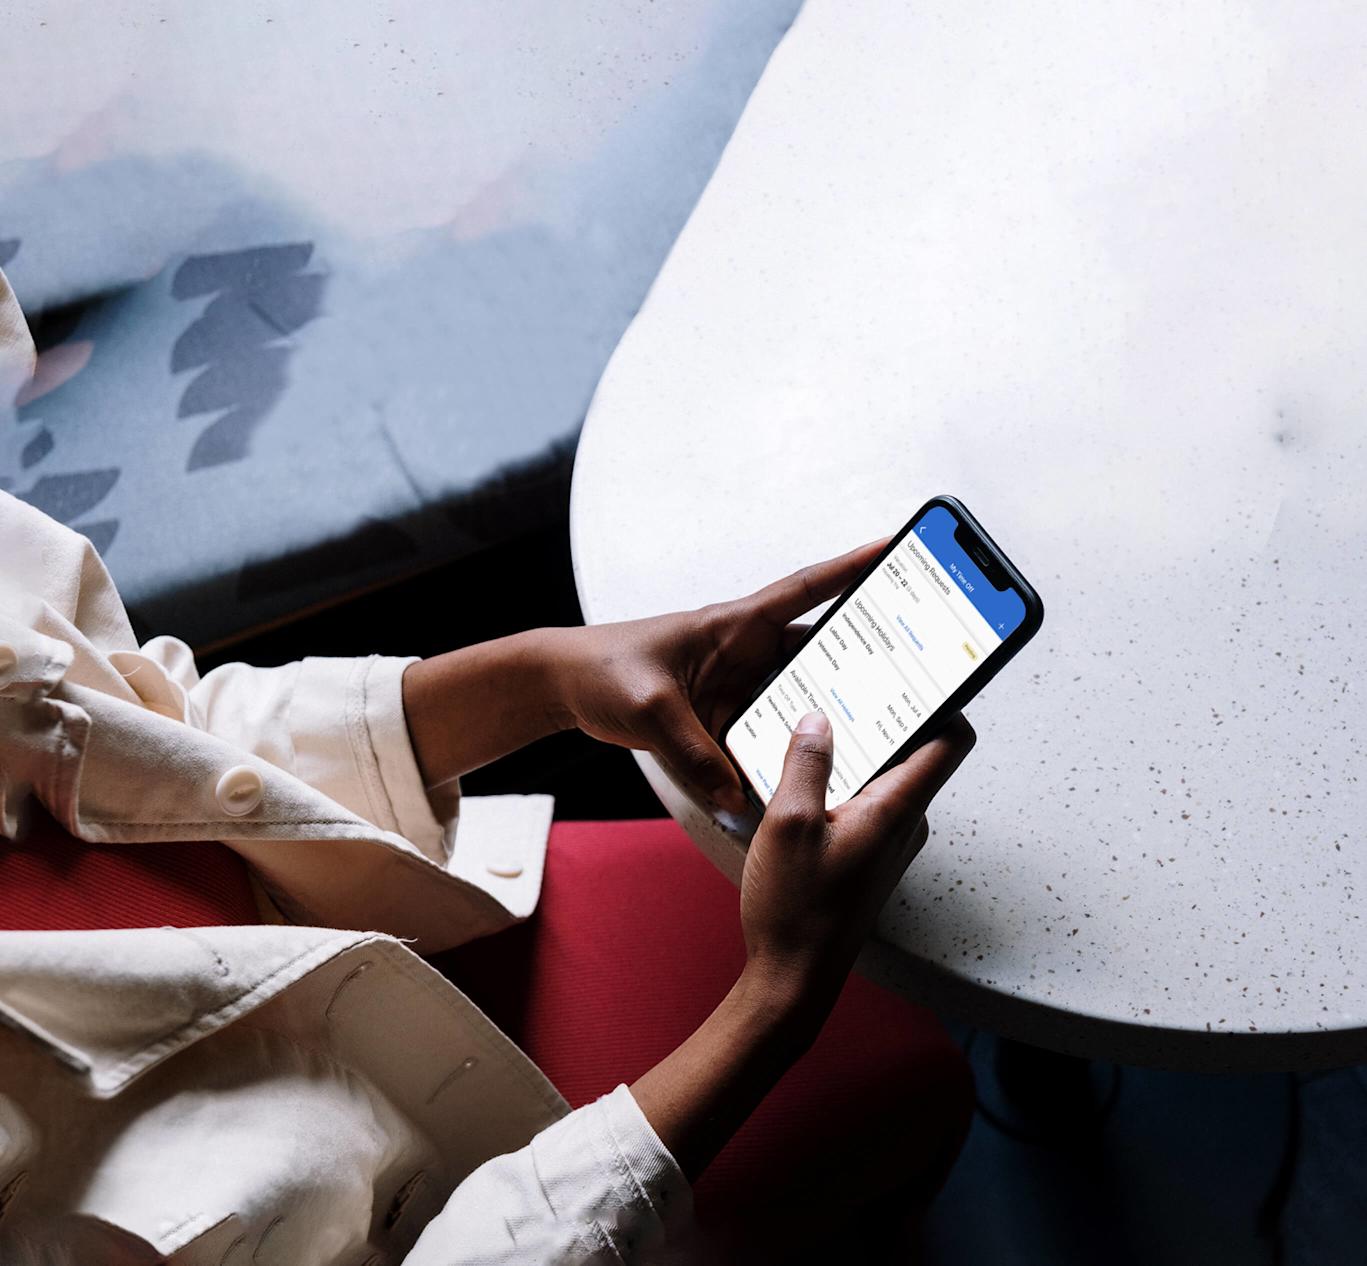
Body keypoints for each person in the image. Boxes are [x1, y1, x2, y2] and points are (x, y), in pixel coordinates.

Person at [0, 269, 975, 1263]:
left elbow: (148, 725)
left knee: (900, 1032)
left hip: (375, 917)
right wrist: (777, 996)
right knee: (914, 1077)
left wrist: (543, 677)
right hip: (435, 1214)